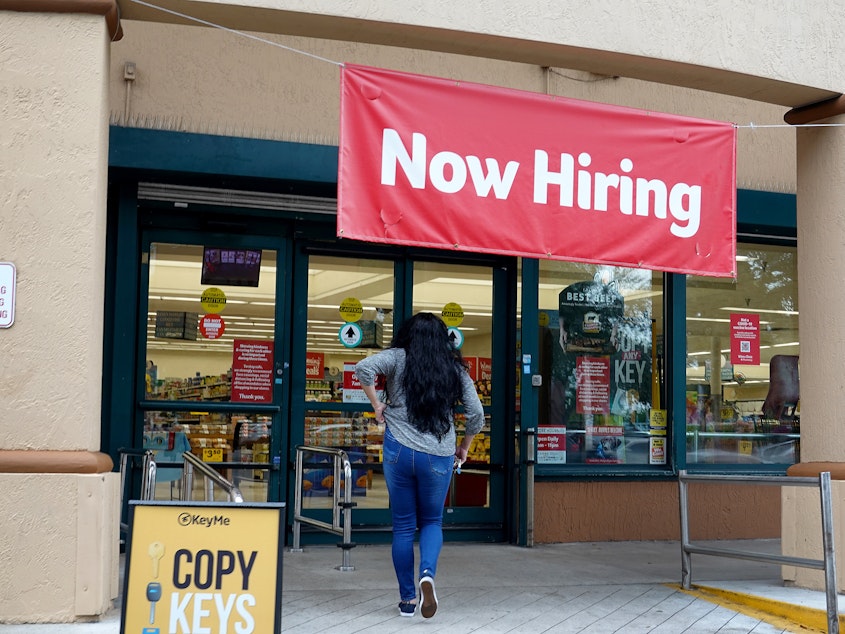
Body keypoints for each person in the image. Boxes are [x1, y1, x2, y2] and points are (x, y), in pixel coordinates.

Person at [354, 312, 485, 619]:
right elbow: (476, 413)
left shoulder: (398, 357)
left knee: (402, 527)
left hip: (399, 450)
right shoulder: (454, 368)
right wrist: (463, 447)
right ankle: (427, 574)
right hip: (438, 454)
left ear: (407, 335)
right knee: (431, 522)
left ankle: (407, 601)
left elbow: (363, 367)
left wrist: (377, 405)